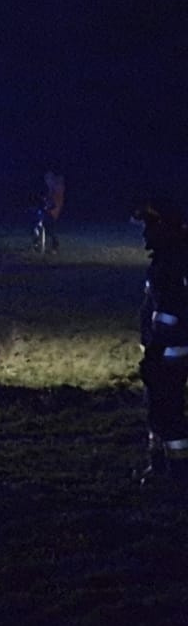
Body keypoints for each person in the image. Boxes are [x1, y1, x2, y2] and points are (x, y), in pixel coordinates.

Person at [133, 200, 188, 487]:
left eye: (149, 227)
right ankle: (160, 467)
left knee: (167, 411)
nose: (145, 235)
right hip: (164, 350)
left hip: (168, 352)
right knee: (160, 409)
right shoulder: (169, 258)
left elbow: (169, 312)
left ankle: (176, 474)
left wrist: (154, 349)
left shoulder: (170, 263)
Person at [40, 171, 66, 252]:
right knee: (45, 227)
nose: (46, 181)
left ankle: (54, 247)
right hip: (50, 210)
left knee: (51, 229)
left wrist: (49, 205)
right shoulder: (51, 188)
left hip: (53, 211)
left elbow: (56, 201)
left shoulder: (57, 187)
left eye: (48, 179)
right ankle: (42, 244)